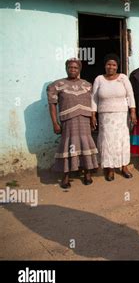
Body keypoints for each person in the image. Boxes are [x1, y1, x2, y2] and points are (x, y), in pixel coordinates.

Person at [47, 58, 99, 189]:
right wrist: (55, 123)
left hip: (85, 121)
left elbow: (93, 103)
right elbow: (52, 105)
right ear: (66, 69)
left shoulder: (87, 85)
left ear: (79, 70)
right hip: (68, 122)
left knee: (85, 144)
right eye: (70, 67)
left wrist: (93, 117)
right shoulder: (57, 85)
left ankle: (87, 173)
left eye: (76, 68)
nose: (73, 70)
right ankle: (66, 176)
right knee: (68, 146)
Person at [91, 54, 136, 181]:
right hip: (105, 116)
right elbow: (94, 98)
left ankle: (124, 166)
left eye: (114, 65)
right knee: (107, 142)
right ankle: (109, 168)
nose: (111, 67)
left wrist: (132, 112)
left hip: (121, 115)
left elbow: (130, 95)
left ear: (117, 66)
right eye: (109, 64)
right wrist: (93, 115)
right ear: (105, 66)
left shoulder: (123, 78)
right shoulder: (99, 79)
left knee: (122, 140)